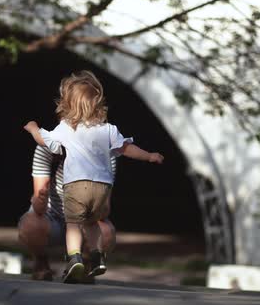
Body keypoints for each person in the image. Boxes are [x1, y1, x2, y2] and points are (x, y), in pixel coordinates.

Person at [24, 70, 164, 283]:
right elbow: (127, 148)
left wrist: (33, 128)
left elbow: (44, 140)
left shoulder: (65, 129)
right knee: (91, 224)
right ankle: (97, 258)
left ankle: (75, 259)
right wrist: (149, 156)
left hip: (76, 186)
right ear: (98, 103)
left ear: (66, 105)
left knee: (73, 225)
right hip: (101, 187)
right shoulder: (108, 130)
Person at [17, 144, 117, 281]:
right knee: (31, 225)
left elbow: (104, 211)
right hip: (54, 216)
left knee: (105, 232)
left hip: (85, 218)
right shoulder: (48, 144)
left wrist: (99, 201)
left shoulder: (104, 151)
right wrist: (40, 197)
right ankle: (41, 262)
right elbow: (38, 207)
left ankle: (85, 265)